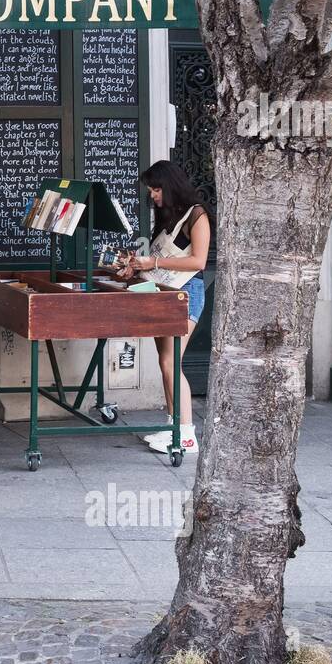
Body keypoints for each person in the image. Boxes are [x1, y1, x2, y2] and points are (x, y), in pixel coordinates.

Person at [115, 159, 212, 457]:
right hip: (163, 293)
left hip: (186, 294)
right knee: (164, 362)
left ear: (170, 185)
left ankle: (185, 436)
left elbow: (199, 261)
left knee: (172, 363)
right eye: (151, 190)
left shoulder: (198, 215)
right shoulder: (168, 215)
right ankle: (173, 426)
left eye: (156, 189)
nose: (153, 196)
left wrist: (152, 262)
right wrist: (135, 267)